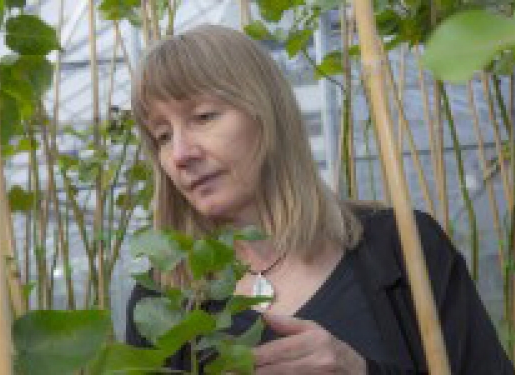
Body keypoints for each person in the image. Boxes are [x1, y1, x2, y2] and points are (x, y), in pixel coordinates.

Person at [126, 24, 514, 374]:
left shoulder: (403, 247)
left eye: (204, 116)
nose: (179, 154)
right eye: (162, 135)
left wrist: (362, 372)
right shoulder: (164, 298)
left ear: (268, 113)